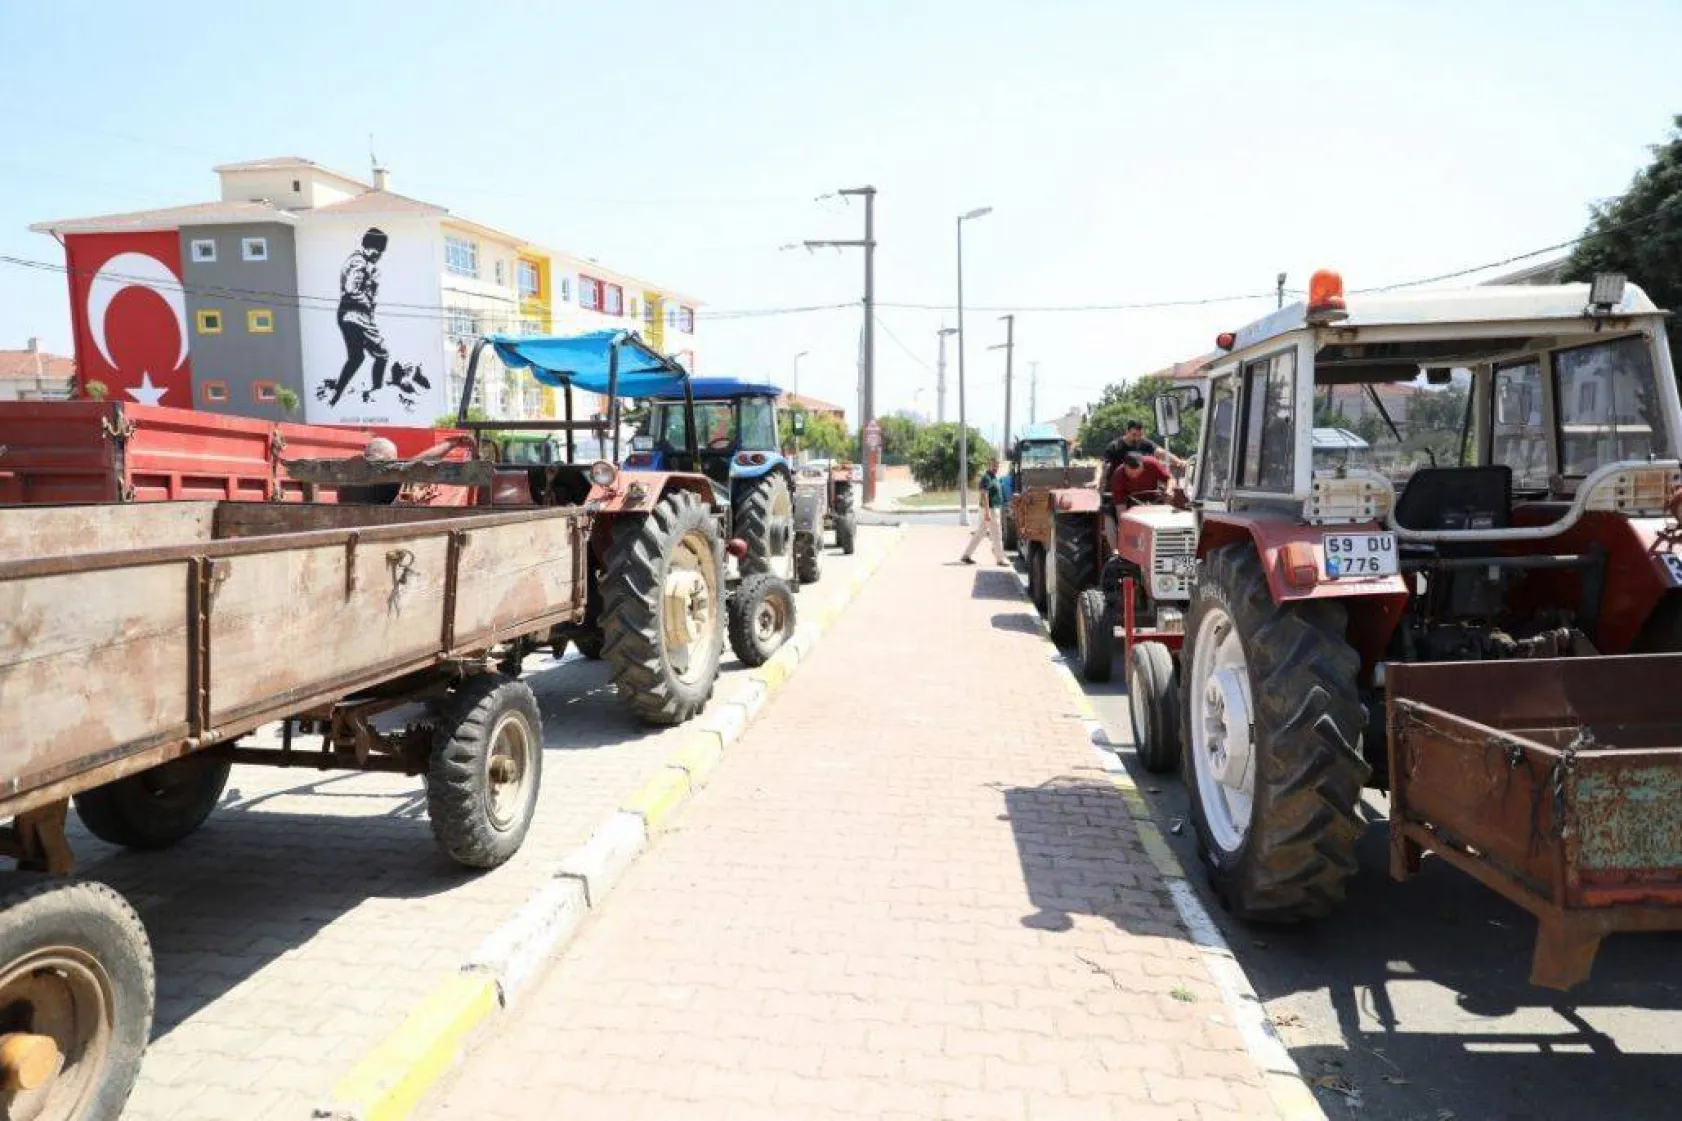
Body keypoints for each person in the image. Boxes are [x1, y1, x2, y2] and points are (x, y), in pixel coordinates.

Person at [960, 458, 1008, 566]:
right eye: (994, 465)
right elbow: (984, 495)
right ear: (989, 465)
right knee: (997, 533)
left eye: (997, 466)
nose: (996, 468)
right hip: (990, 509)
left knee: (980, 533)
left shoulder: (993, 477)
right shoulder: (986, 478)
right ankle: (1000, 559)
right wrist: (987, 512)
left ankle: (966, 555)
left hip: (992, 508)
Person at [1104, 419, 1187, 473]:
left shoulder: (1143, 442)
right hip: (1118, 483)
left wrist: (1178, 462)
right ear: (1127, 432)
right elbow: (1104, 465)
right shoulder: (1115, 446)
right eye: (1134, 435)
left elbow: (1161, 453)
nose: (1137, 438)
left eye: (1139, 435)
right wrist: (1098, 480)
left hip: (1138, 484)